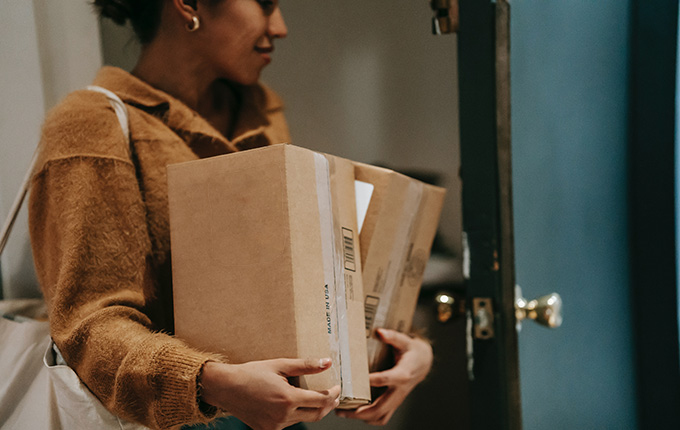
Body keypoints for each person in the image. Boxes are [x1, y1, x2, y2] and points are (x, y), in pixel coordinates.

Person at [28, 0, 434, 429]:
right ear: (188, 4)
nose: (280, 27)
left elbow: (302, 290)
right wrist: (207, 383)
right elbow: (89, 327)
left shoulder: (259, 111)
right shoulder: (92, 125)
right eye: (265, 3)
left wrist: (398, 351)